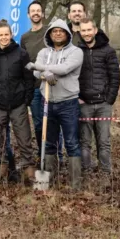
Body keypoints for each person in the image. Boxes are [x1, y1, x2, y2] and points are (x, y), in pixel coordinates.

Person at [0, 20, 36, 183]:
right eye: (0, 34)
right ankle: (2, 174)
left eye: (6, 34)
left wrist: (27, 99)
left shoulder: (21, 54)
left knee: (24, 139)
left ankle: (29, 174)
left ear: (11, 35)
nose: (4, 37)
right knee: (0, 141)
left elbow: (28, 79)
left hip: (18, 104)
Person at [30, 18, 85, 190]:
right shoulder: (43, 52)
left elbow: (64, 69)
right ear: (49, 34)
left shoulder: (76, 52)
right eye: (54, 31)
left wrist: (43, 69)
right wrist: (42, 72)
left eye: (61, 31)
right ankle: (48, 181)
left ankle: (75, 184)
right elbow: (35, 73)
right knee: (49, 141)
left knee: (71, 142)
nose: (58, 33)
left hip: (68, 102)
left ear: (67, 34)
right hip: (48, 102)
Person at [77, 17, 120, 175]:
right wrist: (78, 98)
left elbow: (115, 77)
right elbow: (72, 77)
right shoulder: (76, 51)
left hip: (103, 105)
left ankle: (105, 174)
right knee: (84, 142)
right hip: (84, 104)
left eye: (89, 30)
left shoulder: (108, 51)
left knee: (104, 142)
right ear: (79, 32)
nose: (87, 33)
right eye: (83, 30)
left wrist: (109, 100)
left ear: (95, 30)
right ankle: (86, 173)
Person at [20, 0, 50, 157]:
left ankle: (55, 156)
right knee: (39, 124)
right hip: (35, 88)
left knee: (52, 123)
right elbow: (25, 63)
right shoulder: (25, 38)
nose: (36, 13)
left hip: (52, 85)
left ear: (43, 13)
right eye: (33, 11)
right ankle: (42, 155)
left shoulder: (50, 32)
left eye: (39, 10)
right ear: (28, 14)